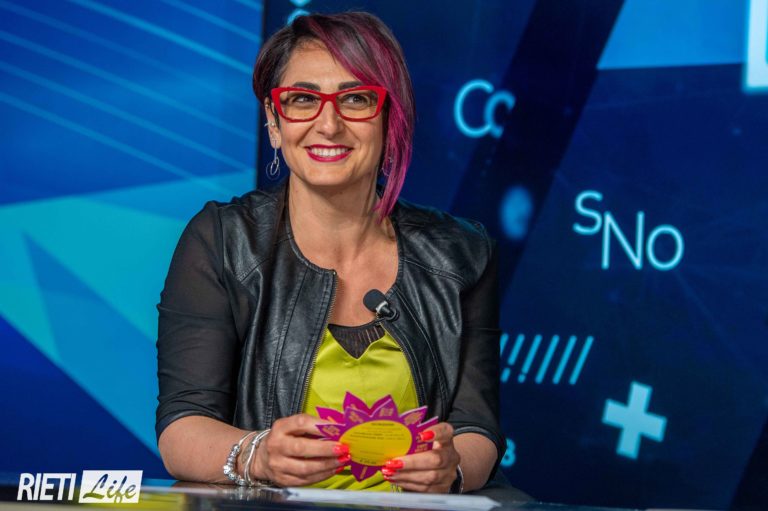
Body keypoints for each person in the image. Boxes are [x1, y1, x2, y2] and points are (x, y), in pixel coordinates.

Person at [156, 11, 502, 494]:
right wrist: (259, 455)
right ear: (274, 121)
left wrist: (453, 469)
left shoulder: (462, 253)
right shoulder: (221, 241)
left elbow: (477, 427)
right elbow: (182, 426)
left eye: (356, 99)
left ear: (390, 118)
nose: (329, 124)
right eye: (302, 99)